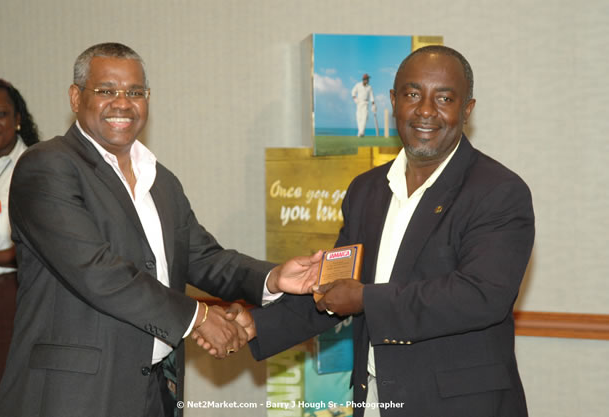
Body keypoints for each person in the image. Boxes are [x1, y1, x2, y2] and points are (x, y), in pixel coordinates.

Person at [0, 42, 321, 417]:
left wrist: (273, 277)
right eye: (106, 91)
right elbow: (96, 271)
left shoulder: (160, 180)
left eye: (135, 92)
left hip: (156, 390)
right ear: (75, 97)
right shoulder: (47, 166)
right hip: (74, 394)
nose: (123, 103)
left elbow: (203, 257)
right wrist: (198, 317)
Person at [227, 46, 535, 417]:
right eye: (412, 94)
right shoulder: (366, 189)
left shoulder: (498, 191)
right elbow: (337, 287)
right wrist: (255, 326)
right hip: (374, 399)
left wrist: (366, 300)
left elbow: (480, 296)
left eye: (444, 98)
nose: (425, 110)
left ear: (466, 110)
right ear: (393, 101)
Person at [0, 78, 39, 417]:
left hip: (5, 298)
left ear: (18, 118)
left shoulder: (35, 166)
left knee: (1, 397)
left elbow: (45, 247)